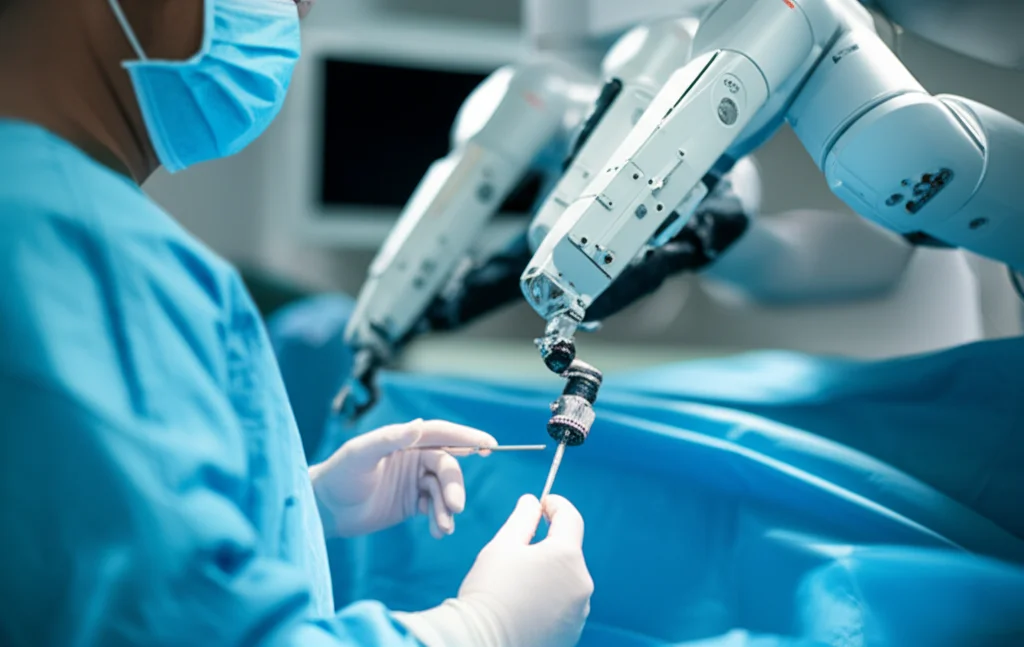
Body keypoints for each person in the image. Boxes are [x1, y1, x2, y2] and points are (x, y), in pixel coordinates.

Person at [0, 1, 593, 646]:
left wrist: (299, 504)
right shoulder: (70, 250)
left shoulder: (52, 216)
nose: (303, 9)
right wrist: (481, 628)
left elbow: (65, 540)